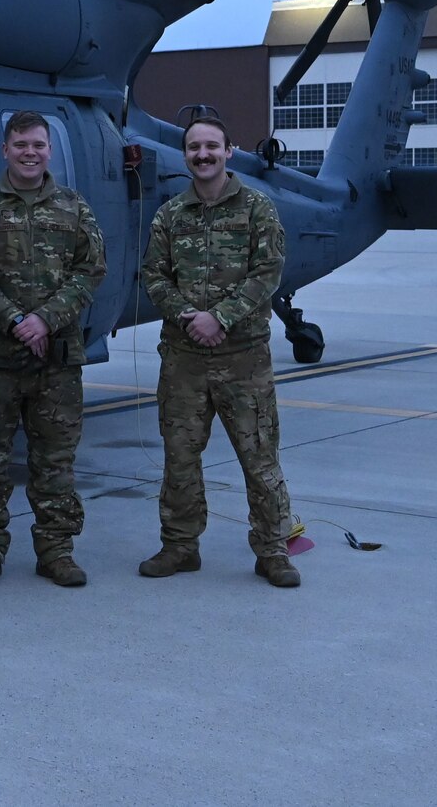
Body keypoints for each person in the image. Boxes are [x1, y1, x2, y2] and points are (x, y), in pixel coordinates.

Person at [138, 114, 301, 588]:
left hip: (244, 360)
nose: (203, 155)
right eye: (194, 148)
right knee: (180, 457)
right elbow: (154, 276)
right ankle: (180, 546)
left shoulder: (257, 208)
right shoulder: (171, 214)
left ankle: (272, 549)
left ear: (229, 151)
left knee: (259, 457)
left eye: (212, 146)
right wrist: (193, 319)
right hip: (184, 358)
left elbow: (268, 271)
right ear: (185, 155)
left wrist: (221, 318)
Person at [0, 110, 106, 588]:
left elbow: (90, 271)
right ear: (5, 150)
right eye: (21, 145)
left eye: (38, 145)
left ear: (49, 150)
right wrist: (15, 320)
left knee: (54, 462)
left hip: (55, 361)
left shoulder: (75, 207)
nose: (30, 153)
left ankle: (56, 551)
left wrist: (45, 319)